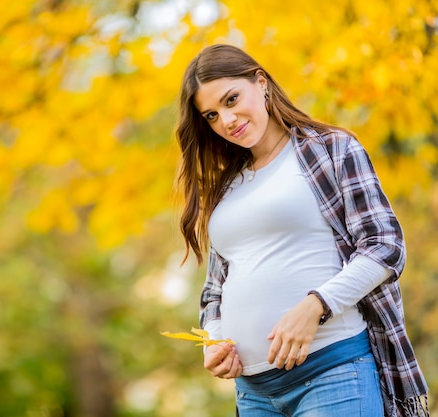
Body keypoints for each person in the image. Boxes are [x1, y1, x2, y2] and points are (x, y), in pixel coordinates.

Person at [175, 44, 429, 416]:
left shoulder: (329, 150)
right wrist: (214, 343)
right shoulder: (226, 188)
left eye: (232, 99)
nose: (226, 120)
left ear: (260, 83)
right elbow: (215, 290)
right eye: (211, 115)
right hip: (254, 394)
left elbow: (384, 245)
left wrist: (316, 306)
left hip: (332, 374)